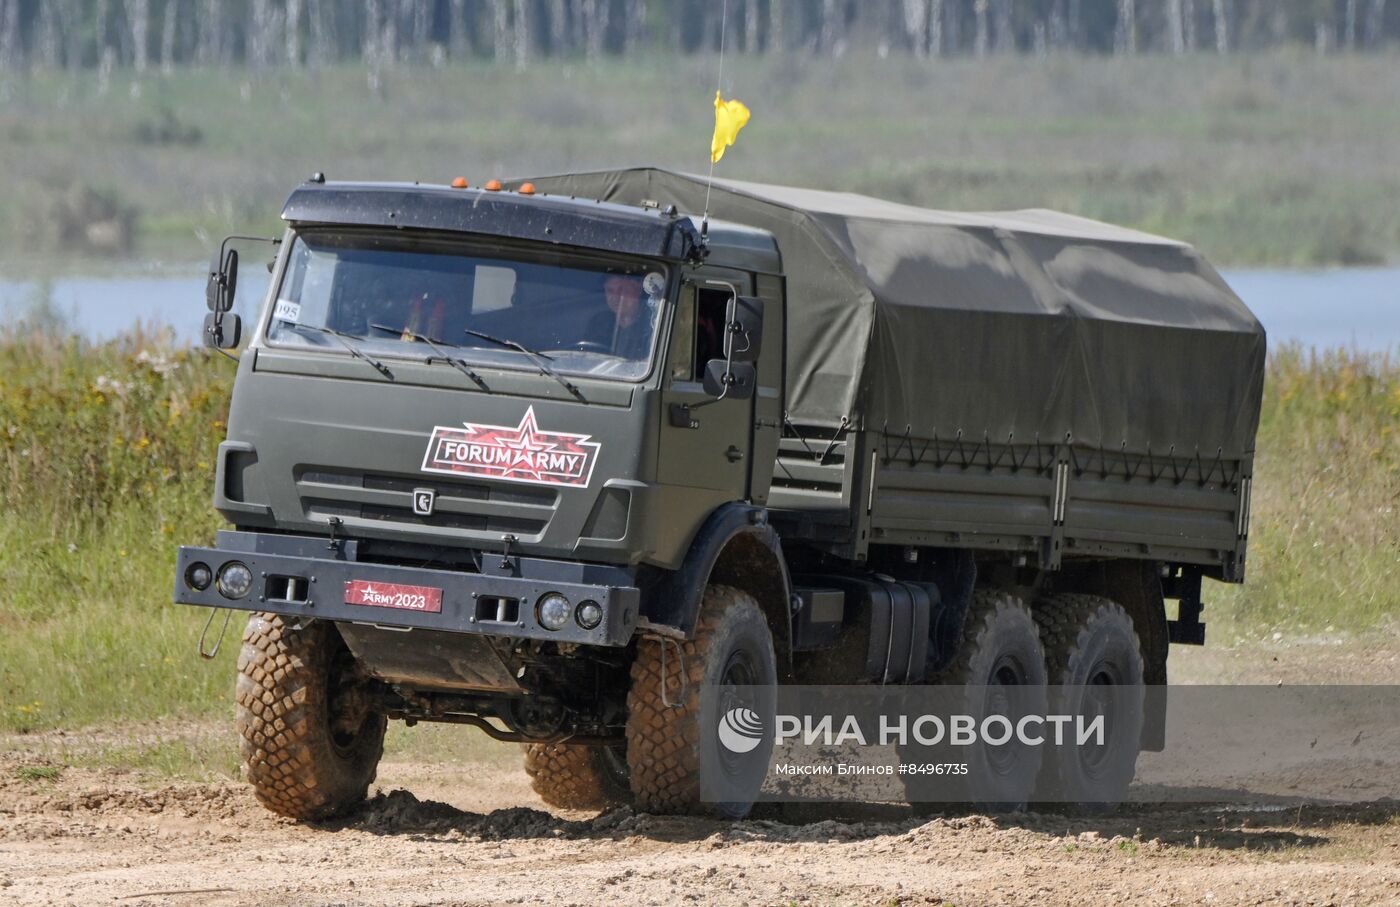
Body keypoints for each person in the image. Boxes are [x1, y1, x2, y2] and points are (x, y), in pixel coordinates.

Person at [590, 274, 654, 360]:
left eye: (623, 290)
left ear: (638, 289)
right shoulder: (599, 322)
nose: (616, 297)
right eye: (610, 290)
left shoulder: (652, 324)